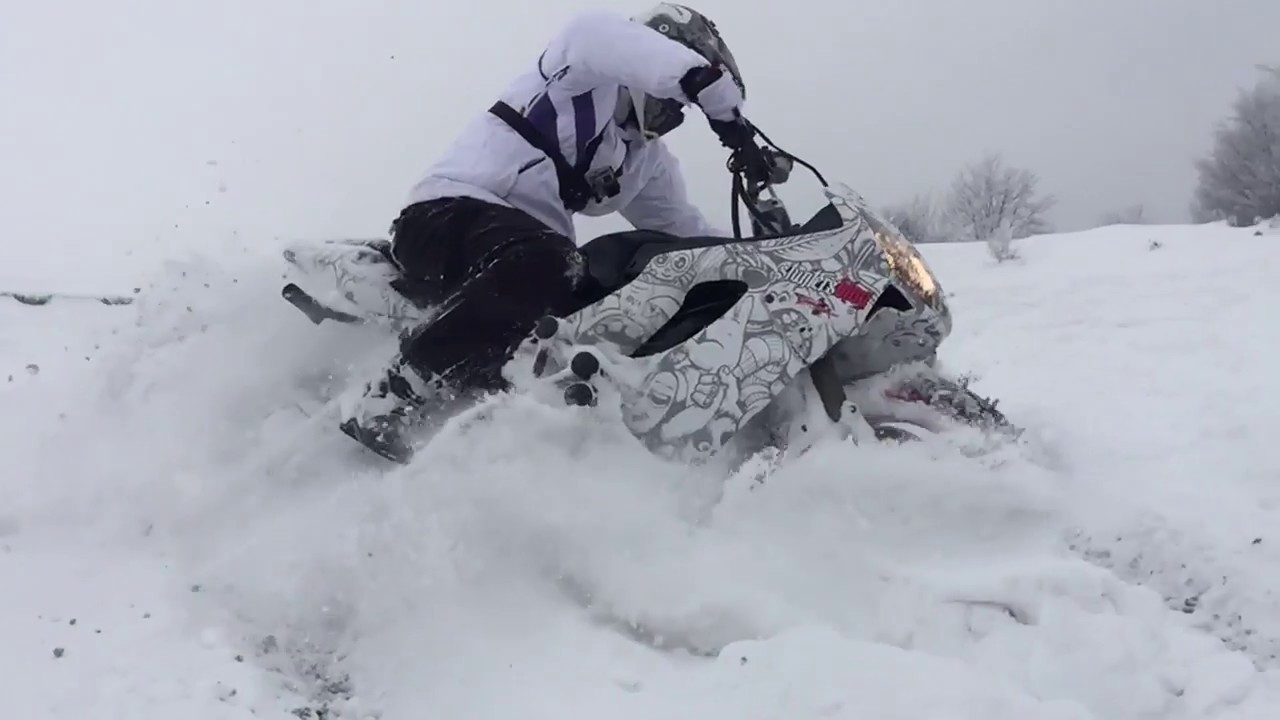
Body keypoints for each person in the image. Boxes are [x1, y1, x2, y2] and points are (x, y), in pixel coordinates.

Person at [340, 3, 771, 463]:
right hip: (446, 215)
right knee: (551, 262)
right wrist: (713, 95)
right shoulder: (581, 74)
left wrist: (770, 255)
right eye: (672, 102)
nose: (673, 115)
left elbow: (686, 232)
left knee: (600, 312)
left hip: (519, 259)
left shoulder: (642, 160)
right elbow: (597, 36)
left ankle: (510, 440)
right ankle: (394, 393)